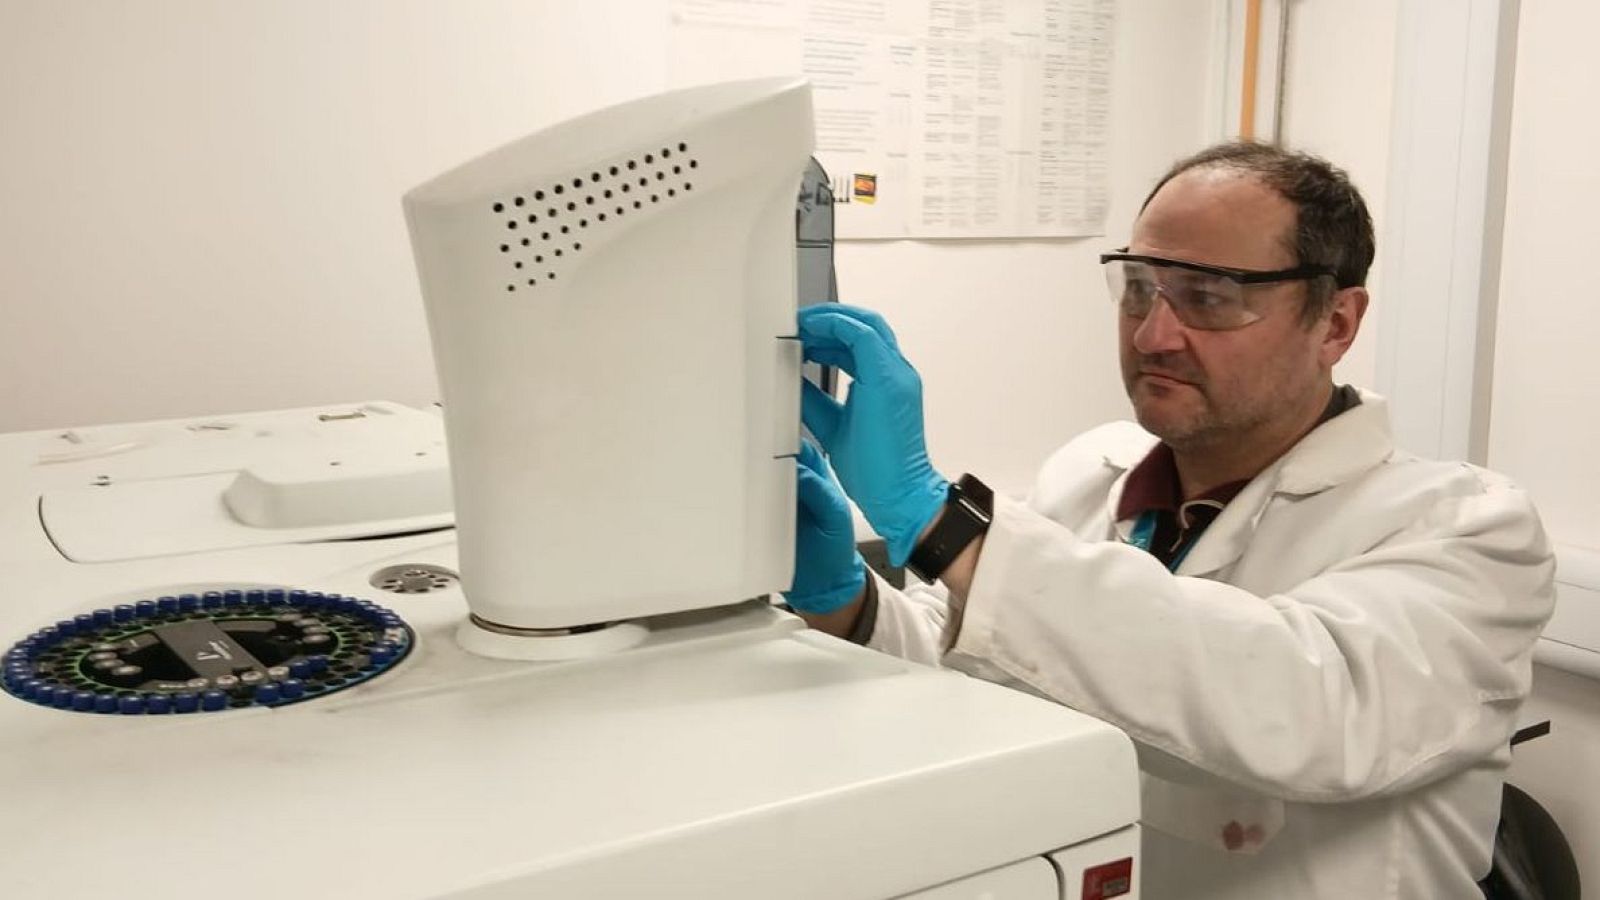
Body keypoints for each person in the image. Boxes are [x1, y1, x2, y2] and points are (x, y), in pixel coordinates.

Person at [784, 141, 1556, 900]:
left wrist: (938, 521)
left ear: (1336, 324)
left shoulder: (1469, 532)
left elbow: (1299, 712)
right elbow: (979, 655)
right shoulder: (1092, 471)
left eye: (1209, 297)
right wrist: (845, 601)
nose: (1153, 335)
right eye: (1138, 289)